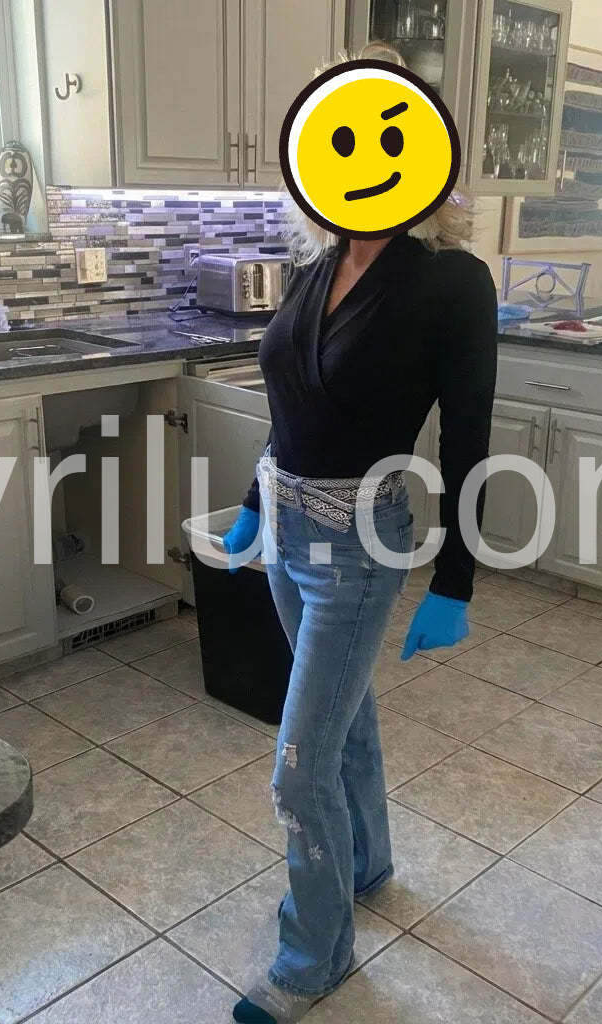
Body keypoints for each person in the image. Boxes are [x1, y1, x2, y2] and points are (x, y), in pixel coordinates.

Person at [222, 59, 497, 1024]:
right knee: (347, 717)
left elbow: (468, 437)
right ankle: (369, 867)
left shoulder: (453, 282)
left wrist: (456, 580)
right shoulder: (314, 269)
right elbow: (287, 404)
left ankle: (315, 959)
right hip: (283, 524)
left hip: (358, 542)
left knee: (299, 769)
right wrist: (248, 503)